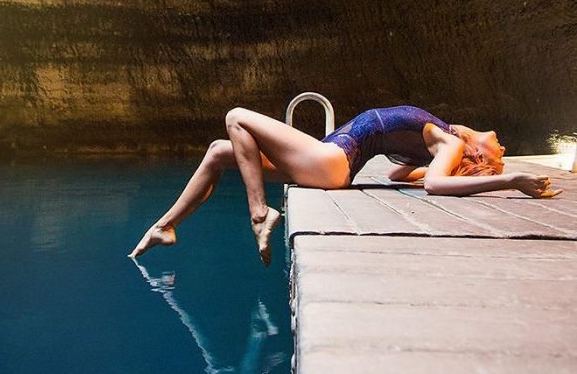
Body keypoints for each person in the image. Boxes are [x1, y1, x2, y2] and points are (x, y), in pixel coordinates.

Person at [128, 104, 562, 265]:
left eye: (498, 151)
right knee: (220, 151)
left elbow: (435, 186)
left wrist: (511, 178)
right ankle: (165, 226)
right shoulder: (438, 139)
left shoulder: (448, 140)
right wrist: (424, 172)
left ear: (478, 155)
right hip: (329, 162)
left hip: (330, 161)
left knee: (237, 116)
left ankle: (259, 214)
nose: (499, 141)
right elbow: (399, 174)